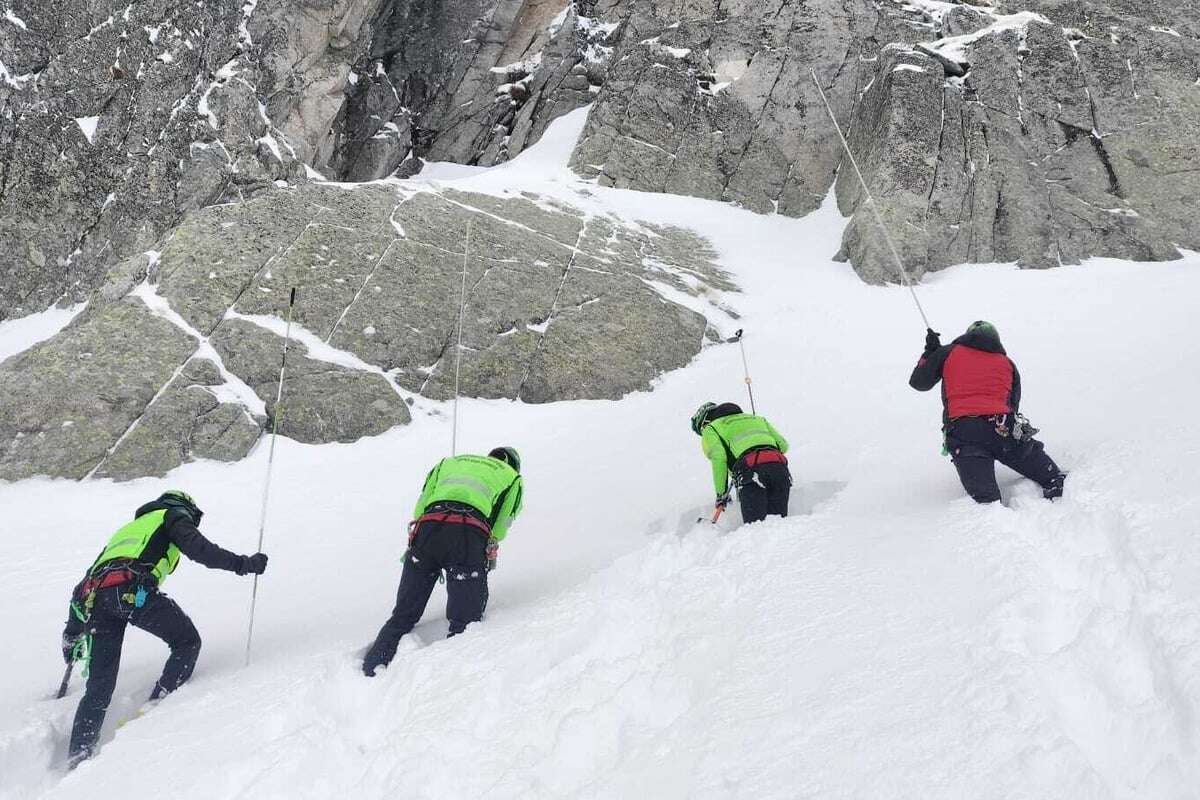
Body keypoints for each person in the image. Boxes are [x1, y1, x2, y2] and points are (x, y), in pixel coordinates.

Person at [60, 490, 268, 766]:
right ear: (184, 508)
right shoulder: (172, 516)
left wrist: (73, 634)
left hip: (97, 601)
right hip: (132, 592)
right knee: (187, 642)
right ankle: (159, 706)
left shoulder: (126, 531)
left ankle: (79, 753)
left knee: (99, 685)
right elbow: (201, 550)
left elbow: (83, 585)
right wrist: (245, 564)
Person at [362, 447, 523, 676]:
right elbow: (501, 524)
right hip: (468, 536)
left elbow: (420, 507)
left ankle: (370, 671)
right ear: (514, 464)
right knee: (465, 625)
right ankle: (446, 688)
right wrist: (487, 547)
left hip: (427, 531)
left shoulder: (449, 462)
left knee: (402, 616)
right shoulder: (512, 477)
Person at [909, 321, 1066, 503]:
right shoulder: (1007, 363)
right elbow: (1013, 404)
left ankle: (992, 513)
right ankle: (1056, 485)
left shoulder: (949, 352)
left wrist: (930, 353)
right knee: (1051, 476)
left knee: (986, 501)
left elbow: (919, 383)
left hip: (964, 432)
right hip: (1003, 427)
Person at [691, 402, 791, 523]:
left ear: (704, 422)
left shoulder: (711, 428)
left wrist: (721, 494)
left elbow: (719, 458)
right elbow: (783, 446)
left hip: (750, 472)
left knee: (756, 529)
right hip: (779, 468)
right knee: (778, 525)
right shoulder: (758, 419)